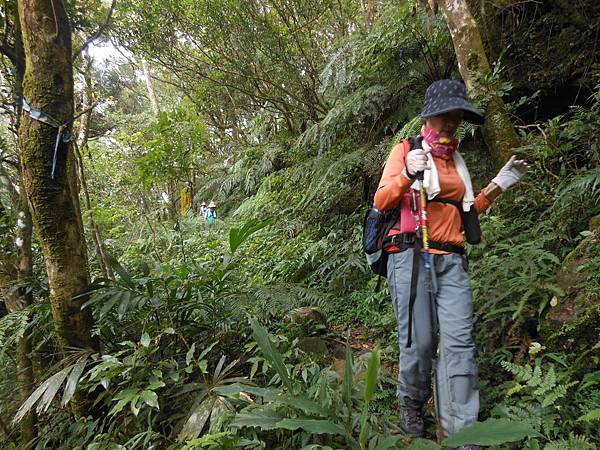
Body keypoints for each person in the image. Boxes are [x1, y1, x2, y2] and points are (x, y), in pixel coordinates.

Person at [374, 80, 528, 448]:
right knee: (420, 342)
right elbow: (382, 201)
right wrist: (407, 173)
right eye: (446, 115)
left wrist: (499, 184)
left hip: (452, 262)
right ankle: (411, 401)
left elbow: (466, 213)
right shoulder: (407, 150)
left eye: (457, 116)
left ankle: (462, 431)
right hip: (411, 256)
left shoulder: (457, 162)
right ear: (429, 115)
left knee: (460, 344)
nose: (452, 122)